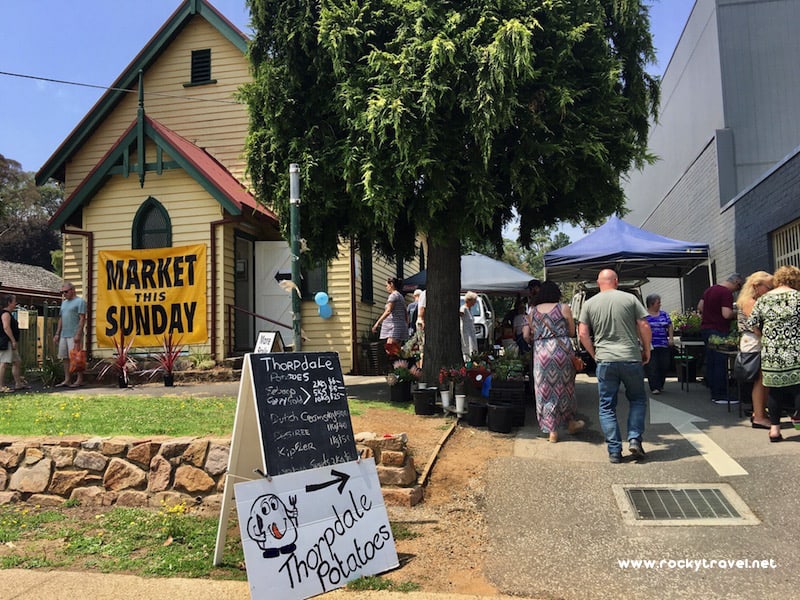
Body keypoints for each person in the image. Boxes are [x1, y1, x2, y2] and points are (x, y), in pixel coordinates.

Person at [578, 269, 651, 463]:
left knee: (607, 406)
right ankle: (634, 438)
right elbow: (644, 325)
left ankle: (614, 451)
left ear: (598, 282)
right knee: (637, 399)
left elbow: (583, 333)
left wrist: (594, 355)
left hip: (605, 360)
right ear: (616, 281)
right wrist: (647, 350)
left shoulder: (589, 304)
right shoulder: (629, 299)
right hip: (630, 357)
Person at [523, 280, 583, 443]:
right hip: (561, 352)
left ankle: (552, 432)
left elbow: (527, 335)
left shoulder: (533, 311)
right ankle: (570, 423)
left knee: (544, 390)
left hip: (541, 353)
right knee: (566, 388)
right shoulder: (563, 308)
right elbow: (571, 332)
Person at [748, 265, 800, 442]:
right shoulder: (798, 297)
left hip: (771, 353)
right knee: (798, 388)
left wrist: (765, 336)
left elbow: (753, 323)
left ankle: (775, 431)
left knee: (774, 391)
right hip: (795, 350)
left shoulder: (764, 299)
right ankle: (797, 419)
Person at [698, 273, 744, 403]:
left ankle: (714, 391)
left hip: (706, 329)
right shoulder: (726, 293)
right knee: (720, 362)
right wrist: (739, 314)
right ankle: (721, 394)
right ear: (735, 282)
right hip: (719, 329)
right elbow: (726, 314)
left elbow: (700, 307)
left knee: (712, 361)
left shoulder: (710, 289)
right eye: (738, 287)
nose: (737, 290)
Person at [736, 271, 774, 429]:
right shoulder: (751, 302)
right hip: (754, 342)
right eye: (769, 287)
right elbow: (757, 327)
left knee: (762, 380)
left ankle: (759, 413)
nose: (771, 290)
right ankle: (759, 415)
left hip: (752, 341)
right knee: (760, 380)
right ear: (757, 286)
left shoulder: (748, 300)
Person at [53, 281, 87, 388]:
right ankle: (67, 379)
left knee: (76, 357)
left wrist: (78, 334)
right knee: (65, 357)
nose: (64, 294)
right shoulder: (64, 303)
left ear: (72, 290)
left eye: (66, 291)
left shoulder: (80, 302)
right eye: (62, 292)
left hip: (74, 333)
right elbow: (61, 319)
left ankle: (79, 379)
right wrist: (57, 333)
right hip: (64, 334)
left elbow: (82, 319)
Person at [644, 294, 673, 395]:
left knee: (664, 365)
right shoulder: (644, 315)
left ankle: (660, 384)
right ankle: (654, 387)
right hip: (650, 345)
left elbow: (669, 325)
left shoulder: (664, 314)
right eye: (658, 302)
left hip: (663, 344)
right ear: (651, 304)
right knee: (652, 366)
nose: (660, 304)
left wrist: (671, 338)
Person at [0, 295, 30, 392]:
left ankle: (18, 384)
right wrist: (12, 340)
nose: (15, 303)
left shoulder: (9, 313)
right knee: (4, 363)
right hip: (6, 342)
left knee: (17, 362)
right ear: (9, 302)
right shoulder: (5, 314)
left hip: (10, 342)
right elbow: (6, 327)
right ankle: (0, 386)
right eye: (14, 301)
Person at [372, 277, 408, 354]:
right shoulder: (400, 296)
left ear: (391, 284)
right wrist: (406, 324)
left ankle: (398, 365)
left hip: (394, 328)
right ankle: (400, 365)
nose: (386, 287)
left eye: (387, 285)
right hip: (400, 326)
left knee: (390, 349)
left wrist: (377, 323)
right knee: (396, 351)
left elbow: (388, 311)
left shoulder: (393, 296)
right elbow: (405, 312)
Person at [460, 291, 479, 361]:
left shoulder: (470, 309)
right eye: (474, 300)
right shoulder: (464, 308)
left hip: (471, 331)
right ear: (469, 300)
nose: (475, 302)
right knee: (468, 347)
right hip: (466, 331)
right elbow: (460, 314)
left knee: (473, 346)